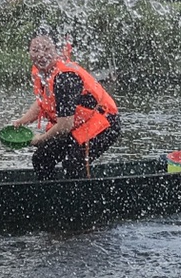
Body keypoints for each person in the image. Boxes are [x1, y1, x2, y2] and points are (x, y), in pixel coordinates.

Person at [7, 33, 120, 178]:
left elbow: (65, 126)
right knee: (41, 159)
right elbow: (43, 101)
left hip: (104, 123)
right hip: (77, 124)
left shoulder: (65, 78)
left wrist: (40, 140)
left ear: (57, 51)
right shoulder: (42, 72)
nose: (41, 55)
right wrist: (22, 121)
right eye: (35, 50)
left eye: (47, 49)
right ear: (29, 52)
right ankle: (50, 195)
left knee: (73, 162)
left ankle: (83, 198)